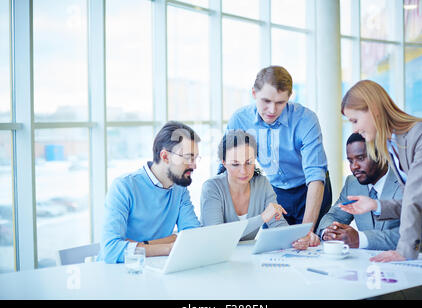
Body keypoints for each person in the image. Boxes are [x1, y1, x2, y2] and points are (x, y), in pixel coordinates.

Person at [340, 79, 422, 262]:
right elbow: (410, 201)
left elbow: (415, 199)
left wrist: (404, 251)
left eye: (355, 120)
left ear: (373, 109)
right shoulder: (393, 146)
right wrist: (376, 205)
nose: (355, 129)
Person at [226, 65, 331, 246]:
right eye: (266, 101)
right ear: (253, 94)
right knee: (273, 246)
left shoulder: (306, 119)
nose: (272, 110)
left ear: (289, 97)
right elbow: (228, 167)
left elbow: (315, 176)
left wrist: (306, 231)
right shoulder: (240, 120)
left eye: (280, 102)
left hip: (310, 190)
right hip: (276, 192)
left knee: (309, 245)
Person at [98, 121, 202, 263]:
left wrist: (142, 245)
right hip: (121, 272)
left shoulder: (180, 189)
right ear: (165, 156)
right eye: (188, 158)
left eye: (195, 158)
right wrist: (168, 246)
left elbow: (193, 237)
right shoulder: (124, 186)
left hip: (157, 269)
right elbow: (111, 250)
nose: (194, 165)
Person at [317, 133, 422, 251]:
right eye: (350, 161)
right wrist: (329, 232)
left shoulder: (408, 182)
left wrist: (359, 238)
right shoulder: (352, 183)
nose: (354, 167)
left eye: (361, 158)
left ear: (381, 155)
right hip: (369, 264)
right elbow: (334, 216)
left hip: (411, 263)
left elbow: (409, 237)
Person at [200, 130, 289, 241]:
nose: (243, 171)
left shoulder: (262, 184)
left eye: (248, 162)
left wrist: (298, 239)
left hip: (246, 254)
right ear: (224, 163)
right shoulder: (212, 188)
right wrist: (262, 218)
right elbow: (216, 236)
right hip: (216, 255)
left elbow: (278, 224)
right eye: (235, 164)